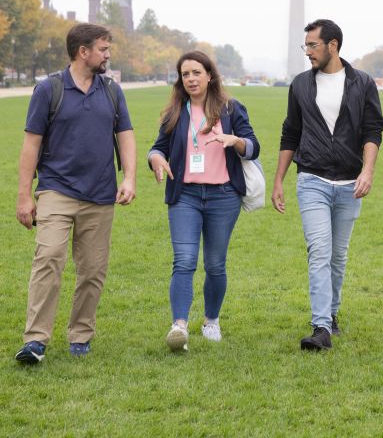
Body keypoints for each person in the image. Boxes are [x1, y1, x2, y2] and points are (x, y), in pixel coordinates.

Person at [14, 23, 136, 364]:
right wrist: (24, 195)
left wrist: (129, 178)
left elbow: (125, 135)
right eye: (103, 49)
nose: (108, 55)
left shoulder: (111, 91)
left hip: (101, 194)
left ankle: (80, 335)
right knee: (49, 257)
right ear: (83, 52)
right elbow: (31, 143)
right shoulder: (48, 90)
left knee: (93, 270)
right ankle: (36, 340)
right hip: (56, 189)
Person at [272, 19, 383, 351]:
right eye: (305, 45)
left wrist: (368, 171)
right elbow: (291, 133)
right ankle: (320, 325)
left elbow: (373, 130)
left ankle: (331, 314)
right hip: (312, 180)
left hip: (350, 183)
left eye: (313, 45)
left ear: (332, 45)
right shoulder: (301, 85)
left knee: (337, 256)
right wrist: (278, 179)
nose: (308, 51)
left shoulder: (362, 83)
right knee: (319, 251)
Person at [148, 51, 260, 351]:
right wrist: (156, 159)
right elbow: (157, 148)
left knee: (215, 264)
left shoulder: (231, 108)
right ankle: (179, 326)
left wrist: (235, 141)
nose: (191, 79)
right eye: (185, 74)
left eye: (196, 72)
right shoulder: (175, 112)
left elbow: (254, 146)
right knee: (184, 260)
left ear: (210, 76)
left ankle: (211, 321)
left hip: (223, 197)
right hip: (184, 196)